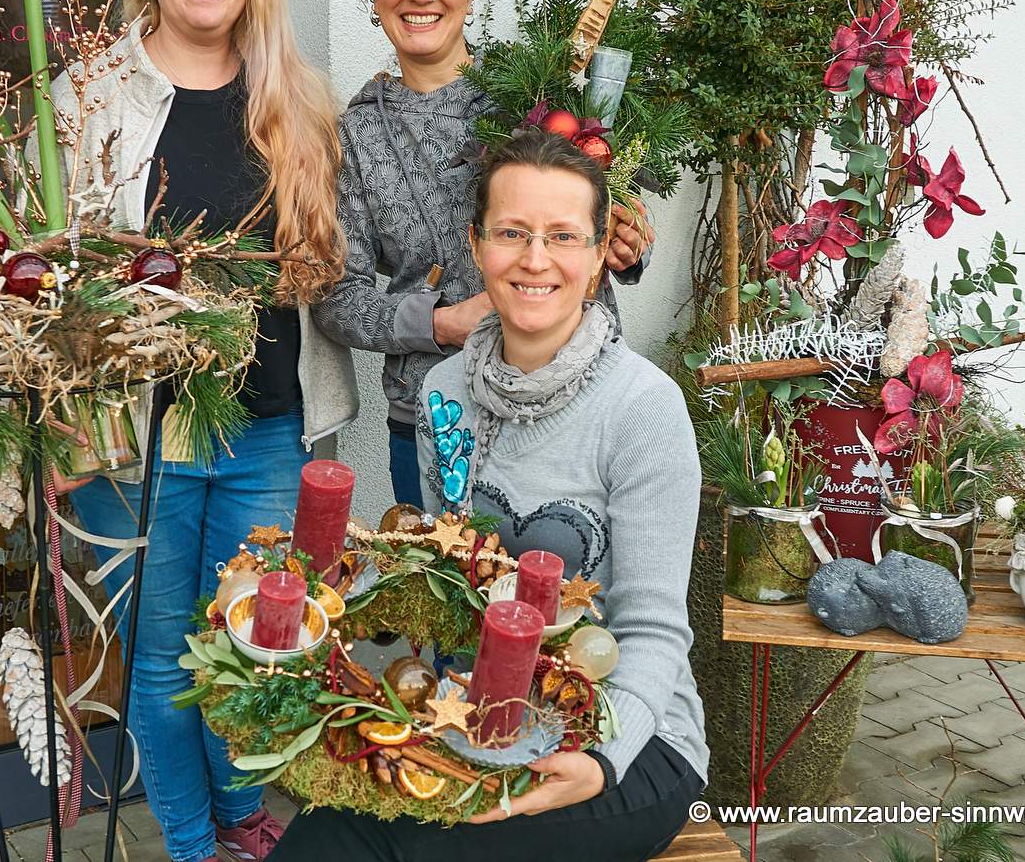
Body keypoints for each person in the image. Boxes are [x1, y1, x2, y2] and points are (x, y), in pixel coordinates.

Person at [39, 0, 358, 862]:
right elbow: (37, 282)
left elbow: (335, 265)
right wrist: (59, 426)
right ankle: (191, 841)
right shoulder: (87, 97)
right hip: (135, 441)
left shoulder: (298, 100)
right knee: (162, 669)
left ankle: (238, 821)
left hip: (266, 427)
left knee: (253, 656)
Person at [275, 129, 706, 861]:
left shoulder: (643, 410)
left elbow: (656, 629)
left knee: (354, 847)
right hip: (490, 722)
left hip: (628, 750)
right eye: (512, 233)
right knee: (326, 827)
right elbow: (454, 588)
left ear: (601, 256)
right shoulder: (446, 394)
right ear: (477, 247)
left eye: (563, 236)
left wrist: (600, 763)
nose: (535, 259)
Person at [312, 0, 655, 510]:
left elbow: (599, 217)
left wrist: (627, 243)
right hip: (433, 414)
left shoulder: (536, 92)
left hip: (569, 396)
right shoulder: (354, 135)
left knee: (568, 599)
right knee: (451, 597)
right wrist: (441, 323)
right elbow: (337, 300)